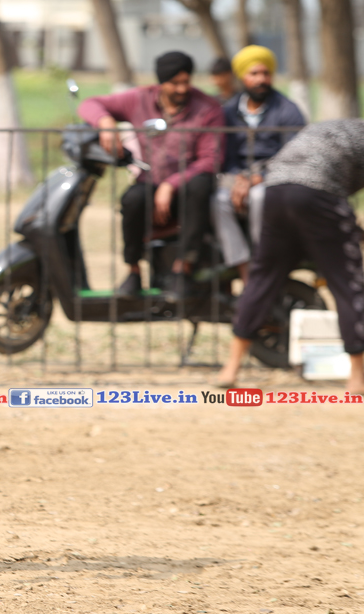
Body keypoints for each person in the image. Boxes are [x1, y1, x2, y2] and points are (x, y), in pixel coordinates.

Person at [217, 120, 364, 394]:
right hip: (317, 194)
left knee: (262, 279)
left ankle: (231, 368)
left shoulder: (336, 127)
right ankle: (358, 377)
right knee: (348, 283)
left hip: (275, 193)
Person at [79, 51, 224, 296]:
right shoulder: (140, 99)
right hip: (150, 181)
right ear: (161, 82)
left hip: (187, 187)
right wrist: (105, 122)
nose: (182, 88)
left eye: (186, 82)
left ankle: (182, 269)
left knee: (199, 186)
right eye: (174, 83)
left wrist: (170, 185)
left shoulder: (207, 108)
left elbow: (211, 159)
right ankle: (134, 271)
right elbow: (89, 104)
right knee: (132, 199)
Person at [211, 45, 306, 283]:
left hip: (274, 178)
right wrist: (238, 178)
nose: (261, 79)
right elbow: (226, 155)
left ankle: (263, 261)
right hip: (236, 176)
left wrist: (259, 177)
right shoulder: (229, 111)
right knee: (218, 201)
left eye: (266, 73)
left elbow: (294, 154)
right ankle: (245, 270)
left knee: (259, 197)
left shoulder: (287, 110)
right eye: (254, 74)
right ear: (242, 77)